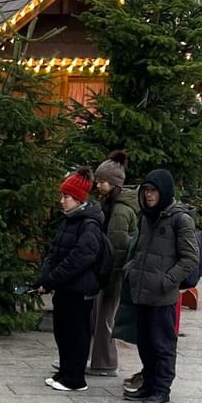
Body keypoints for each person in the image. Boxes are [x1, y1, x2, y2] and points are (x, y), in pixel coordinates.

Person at [120, 169, 199, 403]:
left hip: (162, 295)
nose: (149, 195)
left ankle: (162, 390)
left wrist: (167, 280)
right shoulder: (146, 217)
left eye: (153, 191)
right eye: (145, 191)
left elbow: (190, 257)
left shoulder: (179, 219)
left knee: (162, 344)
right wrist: (132, 270)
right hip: (142, 291)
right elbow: (138, 249)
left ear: (163, 192)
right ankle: (149, 382)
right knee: (144, 342)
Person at [39, 170, 106, 392]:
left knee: (76, 333)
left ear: (78, 198)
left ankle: (75, 378)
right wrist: (46, 276)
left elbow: (78, 259)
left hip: (79, 289)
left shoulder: (89, 224)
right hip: (65, 287)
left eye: (66, 196)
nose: (61, 201)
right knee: (62, 331)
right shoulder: (70, 220)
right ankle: (65, 372)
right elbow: (54, 250)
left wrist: (53, 278)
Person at [88, 153, 140, 380]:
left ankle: (105, 363)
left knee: (105, 319)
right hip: (109, 271)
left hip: (113, 273)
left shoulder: (119, 210)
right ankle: (98, 359)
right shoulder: (112, 204)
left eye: (101, 181)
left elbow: (117, 247)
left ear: (114, 183)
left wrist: (108, 277)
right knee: (100, 317)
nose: (98, 185)